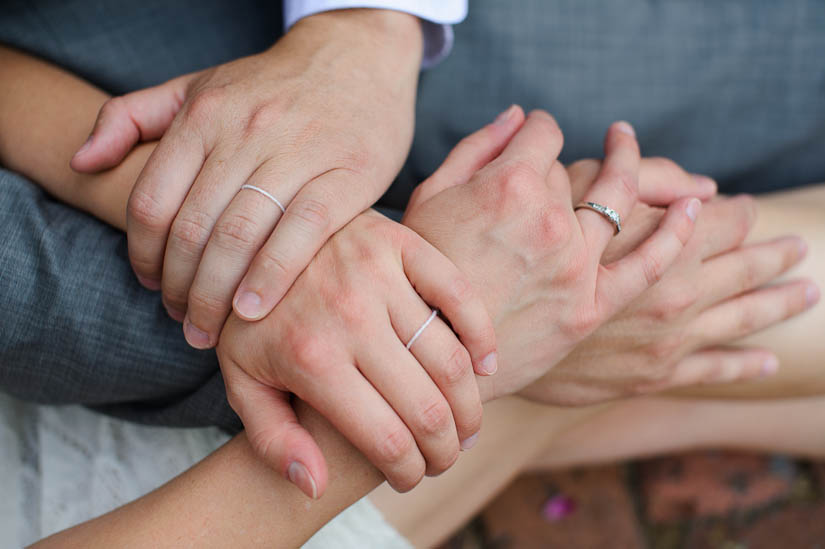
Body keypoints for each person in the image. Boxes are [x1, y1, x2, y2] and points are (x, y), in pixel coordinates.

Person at [2, 44, 819, 546]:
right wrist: (452, 352)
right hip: (236, 514)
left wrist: (234, 218)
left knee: (643, 321)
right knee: (645, 298)